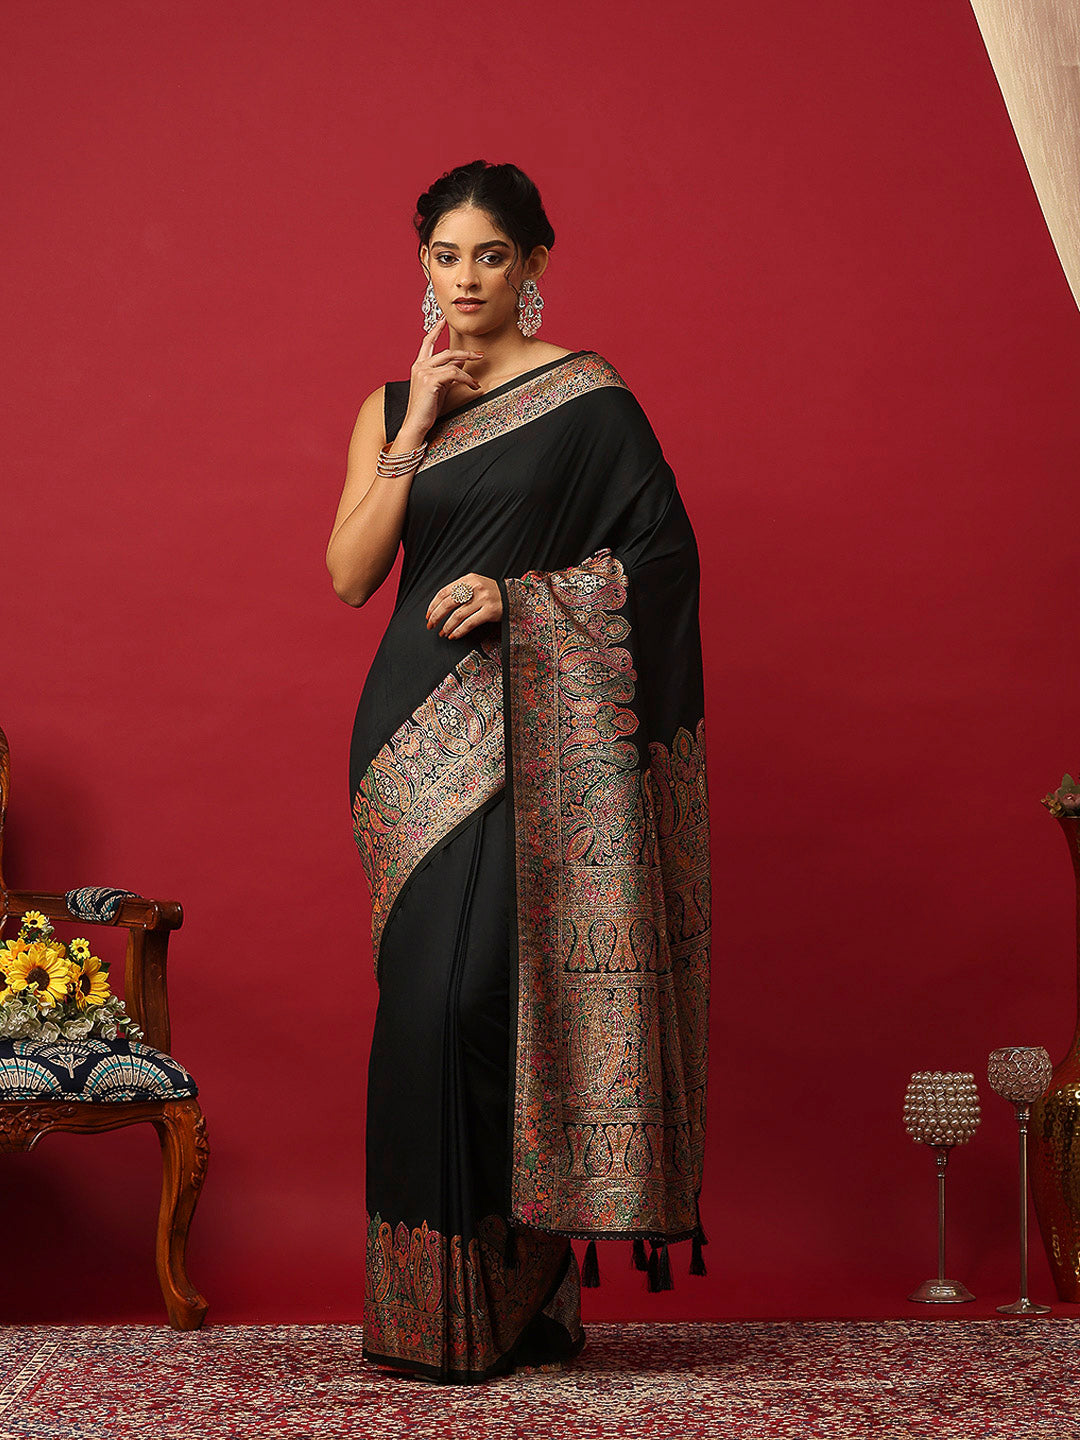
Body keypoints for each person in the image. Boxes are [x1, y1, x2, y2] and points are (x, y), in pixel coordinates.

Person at [326, 159, 711, 1385]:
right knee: (416, 1010)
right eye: (446, 256)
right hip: (404, 741)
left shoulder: (590, 399)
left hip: (535, 731)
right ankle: (432, 1311)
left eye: (491, 256)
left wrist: (522, 599)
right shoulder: (393, 403)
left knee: (483, 1002)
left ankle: (519, 1279)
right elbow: (348, 576)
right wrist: (416, 432)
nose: (467, 279)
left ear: (534, 264)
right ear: (422, 266)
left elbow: (663, 560)